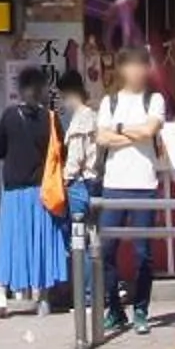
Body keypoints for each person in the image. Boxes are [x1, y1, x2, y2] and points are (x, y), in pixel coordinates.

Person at [94, 46, 172, 337]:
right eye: (131, 65)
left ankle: (141, 309)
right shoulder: (109, 101)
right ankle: (115, 309)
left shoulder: (155, 99)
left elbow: (149, 131)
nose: (137, 71)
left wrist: (119, 130)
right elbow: (101, 138)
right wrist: (129, 132)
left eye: (142, 65)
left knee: (142, 253)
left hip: (144, 185)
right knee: (106, 250)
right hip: (113, 185)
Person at [0, 68, 67, 318]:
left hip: (14, 192)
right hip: (41, 192)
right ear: (42, 89)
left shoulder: (9, 116)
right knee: (41, 243)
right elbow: (60, 153)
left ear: (21, 89)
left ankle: (2, 295)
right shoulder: (51, 119)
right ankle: (43, 299)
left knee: (10, 242)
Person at [57, 69, 101, 298]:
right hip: (94, 183)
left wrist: (64, 180)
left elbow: (75, 158)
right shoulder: (94, 115)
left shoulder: (81, 118)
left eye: (63, 97)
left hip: (80, 184)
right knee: (93, 239)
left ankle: (86, 295)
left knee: (79, 242)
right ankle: (101, 291)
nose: (63, 102)